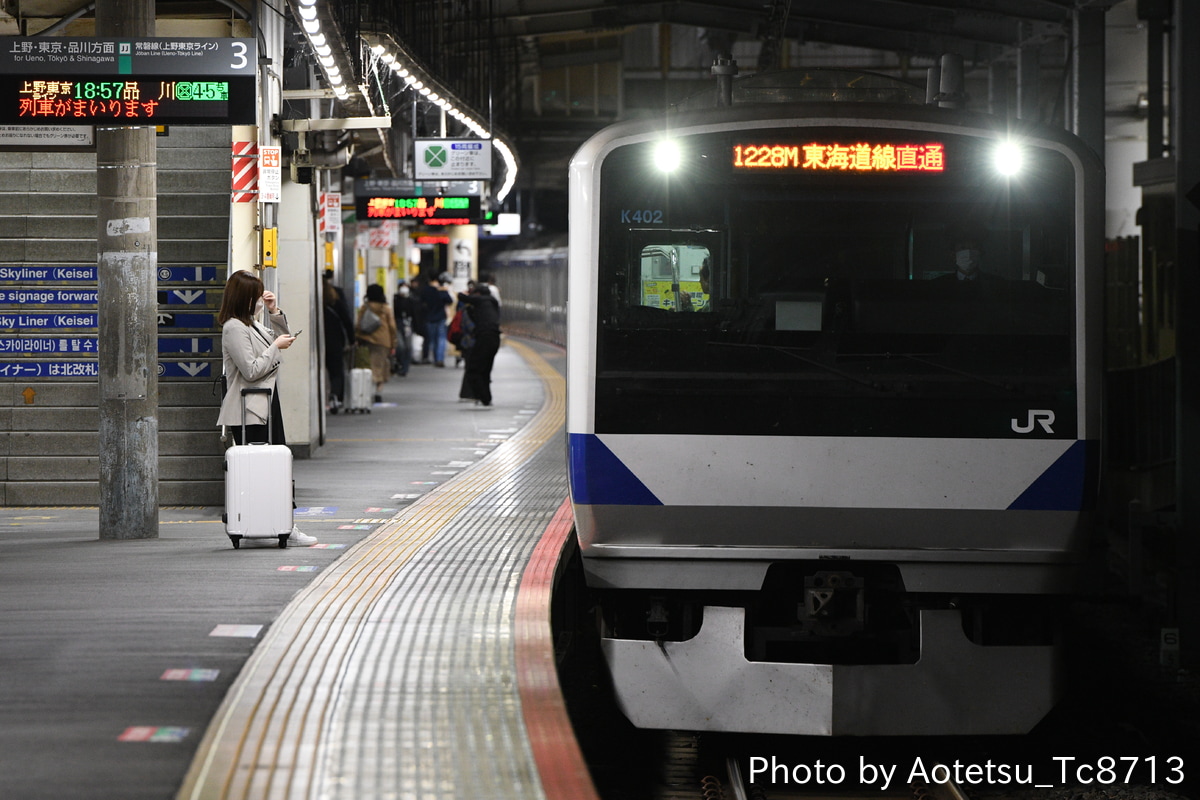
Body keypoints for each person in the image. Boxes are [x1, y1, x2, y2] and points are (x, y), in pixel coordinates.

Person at [215, 270, 316, 546]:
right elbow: (251, 369)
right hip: (250, 410)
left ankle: (279, 523)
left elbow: (282, 342)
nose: (261, 299)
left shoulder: (251, 324)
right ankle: (271, 525)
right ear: (244, 298)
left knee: (278, 466)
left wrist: (275, 311)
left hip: (265, 402)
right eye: (257, 296)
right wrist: (275, 346)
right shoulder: (234, 327)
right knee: (264, 471)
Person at [455, 283, 501, 406]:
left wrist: (462, 293)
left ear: (478, 294)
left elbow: (462, 297)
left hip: (484, 338)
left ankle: (482, 396)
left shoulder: (481, 300)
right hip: (495, 338)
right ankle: (486, 397)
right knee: (486, 369)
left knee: (473, 369)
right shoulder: (493, 302)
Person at [356, 283, 398, 403]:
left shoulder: (365, 308)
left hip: (366, 339)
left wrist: (358, 336)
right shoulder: (386, 309)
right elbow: (392, 327)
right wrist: (394, 343)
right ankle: (378, 391)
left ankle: (366, 392)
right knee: (381, 366)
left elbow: (359, 324)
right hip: (383, 341)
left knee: (366, 365)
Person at [322, 274, 354, 412]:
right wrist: (352, 339)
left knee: (323, 371)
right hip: (335, 341)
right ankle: (335, 396)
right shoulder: (336, 299)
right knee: (337, 371)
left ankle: (325, 396)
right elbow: (346, 320)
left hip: (320, 342)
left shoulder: (314, 301)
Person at [418, 272, 453, 367]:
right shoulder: (441, 290)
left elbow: (421, 303)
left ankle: (433, 358)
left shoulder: (426, 290)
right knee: (441, 338)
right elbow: (450, 301)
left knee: (432, 339)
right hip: (441, 317)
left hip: (429, 317)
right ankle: (439, 359)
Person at [392, 281, 416, 377]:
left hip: (409, 325)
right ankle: (399, 363)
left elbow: (414, 313)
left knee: (408, 347)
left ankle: (405, 368)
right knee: (400, 346)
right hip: (398, 323)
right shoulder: (396, 299)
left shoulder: (411, 300)